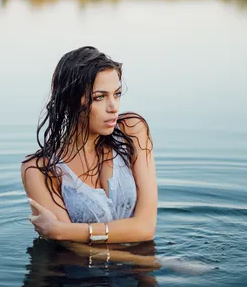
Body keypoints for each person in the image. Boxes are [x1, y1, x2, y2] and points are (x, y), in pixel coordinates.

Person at [21, 46, 158, 245]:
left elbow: (146, 228)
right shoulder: (39, 170)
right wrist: (152, 263)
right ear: (71, 102)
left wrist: (66, 230)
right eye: (99, 97)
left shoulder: (133, 131)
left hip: (139, 271)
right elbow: (72, 248)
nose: (114, 107)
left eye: (117, 94)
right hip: (81, 273)